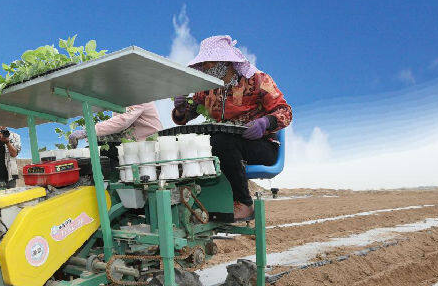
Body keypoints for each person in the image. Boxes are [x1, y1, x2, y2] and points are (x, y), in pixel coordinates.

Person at [172, 35, 292, 221]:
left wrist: (265, 123)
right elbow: (186, 115)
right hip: (227, 146)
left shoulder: (257, 80)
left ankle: (244, 203)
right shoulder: (208, 89)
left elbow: (285, 111)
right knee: (195, 142)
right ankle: (202, 202)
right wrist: (181, 109)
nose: (204, 68)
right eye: (203, 63)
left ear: (225, 62)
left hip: (261, 144)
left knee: (222, 141)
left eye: (208, 63)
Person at [67, 102, 163, 147]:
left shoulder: (138, 98)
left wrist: (89, 131)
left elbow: (122, 121)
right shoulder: (121, 100)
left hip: (150, 146)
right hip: (135, 146)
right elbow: (118, 125)